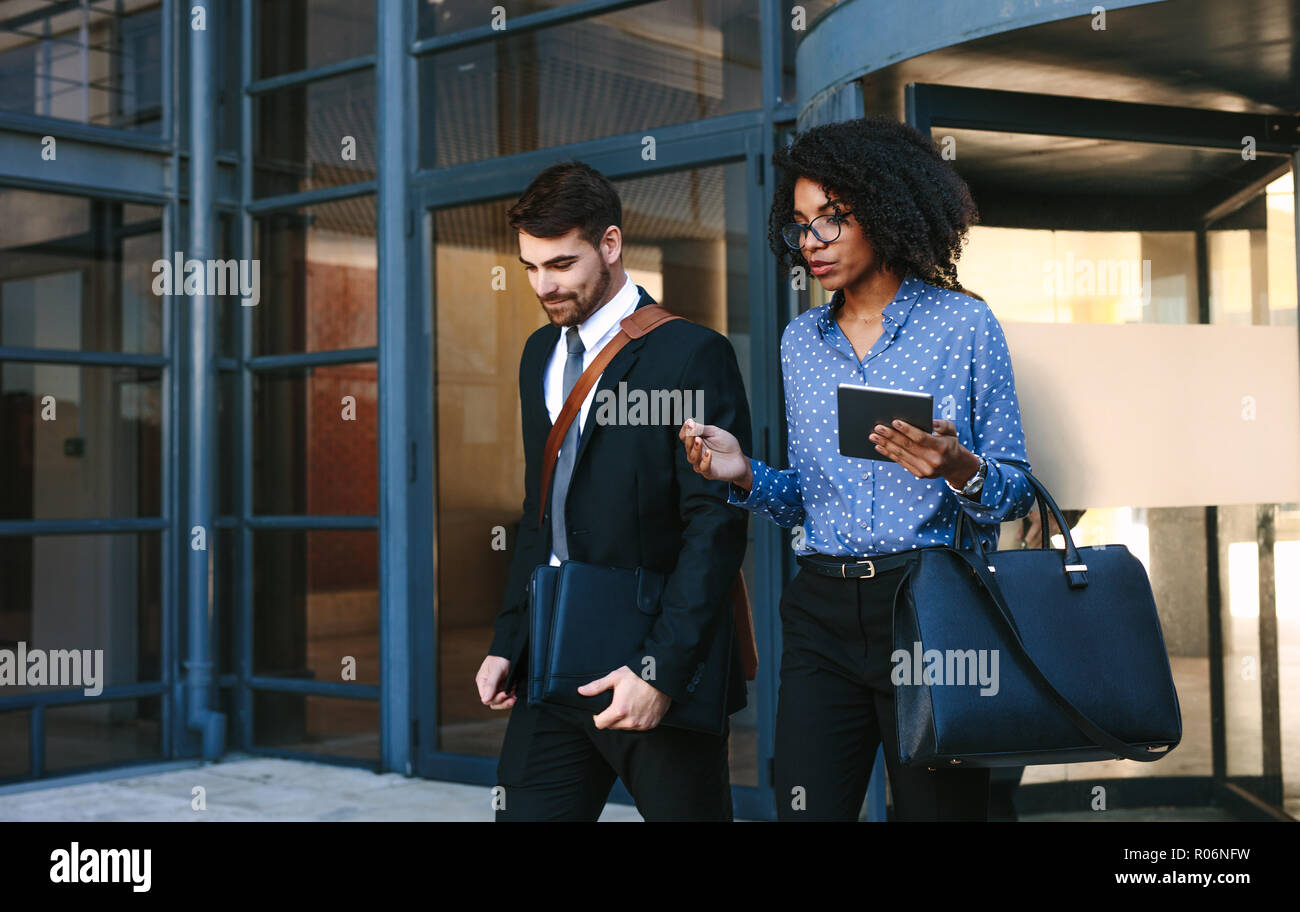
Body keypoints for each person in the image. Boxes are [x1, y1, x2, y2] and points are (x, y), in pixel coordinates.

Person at [680, 116, 1036, 821]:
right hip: (820, 613)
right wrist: (745, 473)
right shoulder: (799, 342)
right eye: (800, 224)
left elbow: (1014, 491)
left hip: (931, 606)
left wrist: (958, 467)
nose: (811, 242)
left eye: (832, 220)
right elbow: (810, 499)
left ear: (886, 208)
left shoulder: (964, 326)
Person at [476, 161, 753, 821]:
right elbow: (538, 511)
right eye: (531, 268)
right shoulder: (538, 354)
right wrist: (506, 641)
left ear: (610, 245)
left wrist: (659, 671)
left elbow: (713, 529)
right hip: (551, 658)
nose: (545, 285)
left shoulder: (690, 354)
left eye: (562, 264)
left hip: (654, 659)